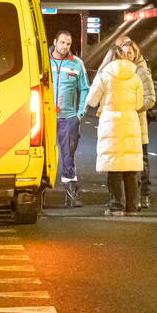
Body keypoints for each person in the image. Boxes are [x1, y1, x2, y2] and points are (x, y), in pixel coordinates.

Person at [86, 41, 145, 215]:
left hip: (111, 124)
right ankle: (132, 207)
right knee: (130, 167)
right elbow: (139, 103)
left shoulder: (105, 74)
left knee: (115, 166)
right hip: (130, 122)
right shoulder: (135, 76)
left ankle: (117, 205)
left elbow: (92, 100)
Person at [97, 36, 156, 208]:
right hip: (119, 124)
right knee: (118, 162)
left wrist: (131, 108)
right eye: (123, 52)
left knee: (139, 162)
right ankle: (121, 199)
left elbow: (150, 98)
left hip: (136, 124)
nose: (127, 55)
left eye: (130, 52)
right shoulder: (114, 70)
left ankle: (141, 196)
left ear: (135, 53)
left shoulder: (140, 71)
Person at [49, 30, 89, 207]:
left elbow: (86, 89)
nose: (65, 46)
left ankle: (71, 194)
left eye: (68, 44)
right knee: (42, 156)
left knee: (68, 157)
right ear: (55, 42)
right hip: (46, 117)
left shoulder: (77, 64)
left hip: (68, 118)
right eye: (62, 42)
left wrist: (79, 114)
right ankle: (38, 194)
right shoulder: (43, 62)